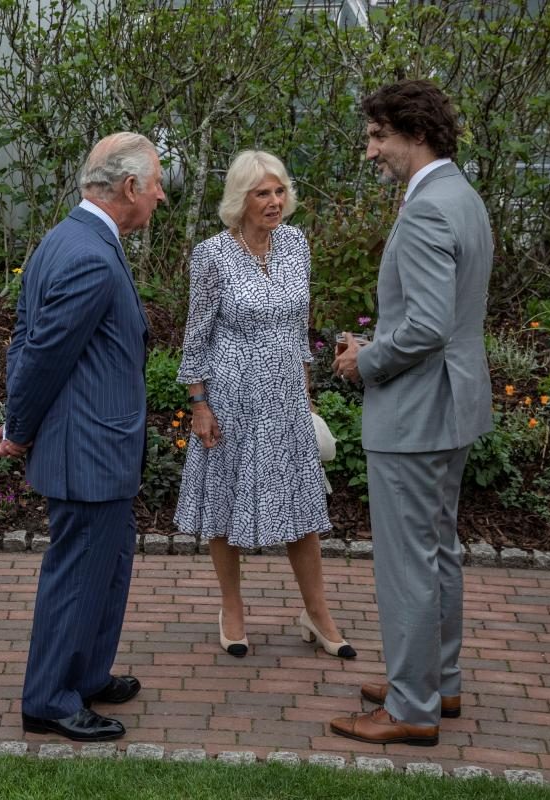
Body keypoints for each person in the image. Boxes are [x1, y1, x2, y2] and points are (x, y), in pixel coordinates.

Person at [0, 132, 164, 742]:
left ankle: (86, 674)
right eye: (158, 184)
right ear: (130, 187)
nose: (162, 196)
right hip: (88, 449)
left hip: (96, 445)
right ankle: (50, 700)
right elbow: (40, 353)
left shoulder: (68, 239)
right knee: (80, 572)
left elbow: (23, 338)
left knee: (107, 567)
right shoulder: (87, 252)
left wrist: (20, 420)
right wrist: (19, 428)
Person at [330, 80, 493, 746]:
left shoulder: (428, 208)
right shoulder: (464, 196)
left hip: (418, 411)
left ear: (415, 134)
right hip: (451, 402)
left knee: (409, 562)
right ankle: (436, 683)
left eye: (378, 137)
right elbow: (443, 320)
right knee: (439, 553)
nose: (371, 152)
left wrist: (363, 361)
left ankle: (411, 708)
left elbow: (425, 325)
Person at [174, 150, 355, 662]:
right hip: (231, 394)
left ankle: (317, 614)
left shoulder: (297, 244)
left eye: (279, 192)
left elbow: (300, 327)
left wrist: (305, 396)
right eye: (262, 193)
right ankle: (232, 609)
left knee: (301, 504)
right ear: (241, 199)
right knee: (226, 501)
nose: (275, 202)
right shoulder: (213, 254)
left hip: (285, 396)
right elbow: (196, 334)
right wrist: (199, 404)